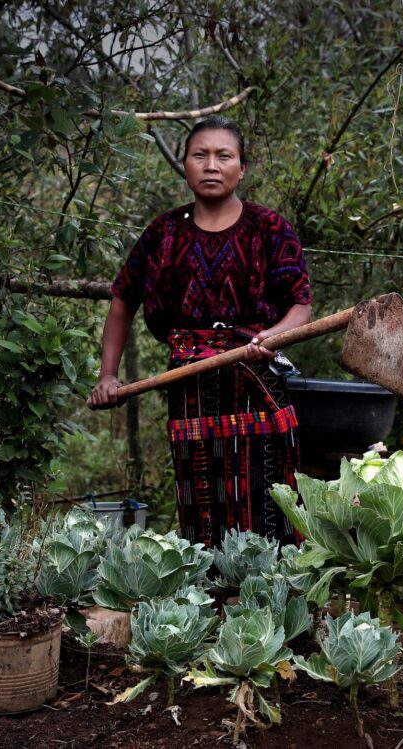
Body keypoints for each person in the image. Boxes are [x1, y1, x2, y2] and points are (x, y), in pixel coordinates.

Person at [88, 116, 312, 547]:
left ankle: (274, 601)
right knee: (200, 500)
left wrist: (273, 337)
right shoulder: (163, 233)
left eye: (223, 156)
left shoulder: (270, 229)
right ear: (186, 165)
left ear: (241, 168)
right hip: (188, 388)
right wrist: (107, 375)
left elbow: (300, 305)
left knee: (266, 500)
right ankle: (206, 603)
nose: (211, 165)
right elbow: (122, 301)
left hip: (256, 381)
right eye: (200, 155)